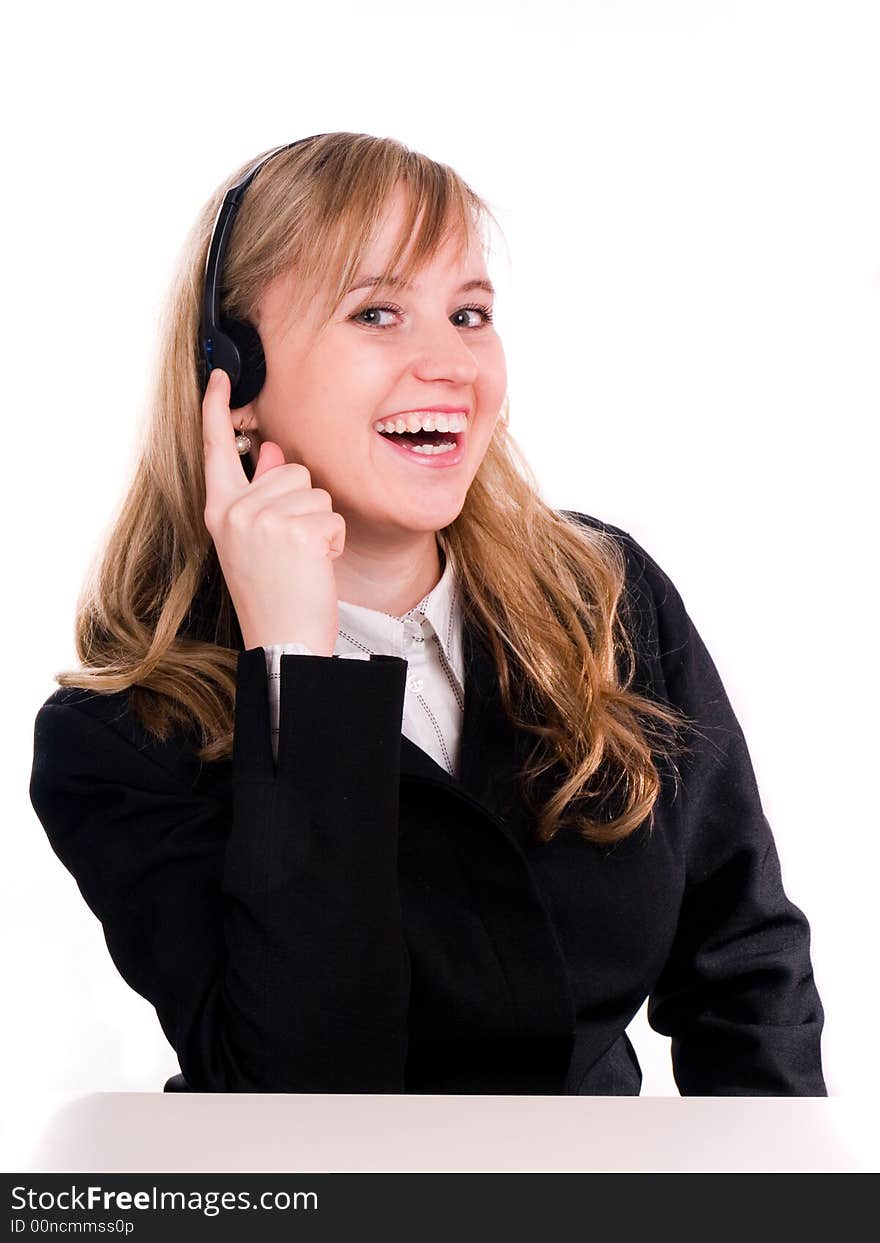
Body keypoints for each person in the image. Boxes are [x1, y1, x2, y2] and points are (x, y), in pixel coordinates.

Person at [28, 132, 826, 1095]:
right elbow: (303, 1085)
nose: (451, 364)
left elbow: (745, 971)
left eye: (470, 313)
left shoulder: (605, 597)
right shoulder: (121, 738)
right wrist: (292, 667)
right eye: (378, 312)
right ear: (230, 380)